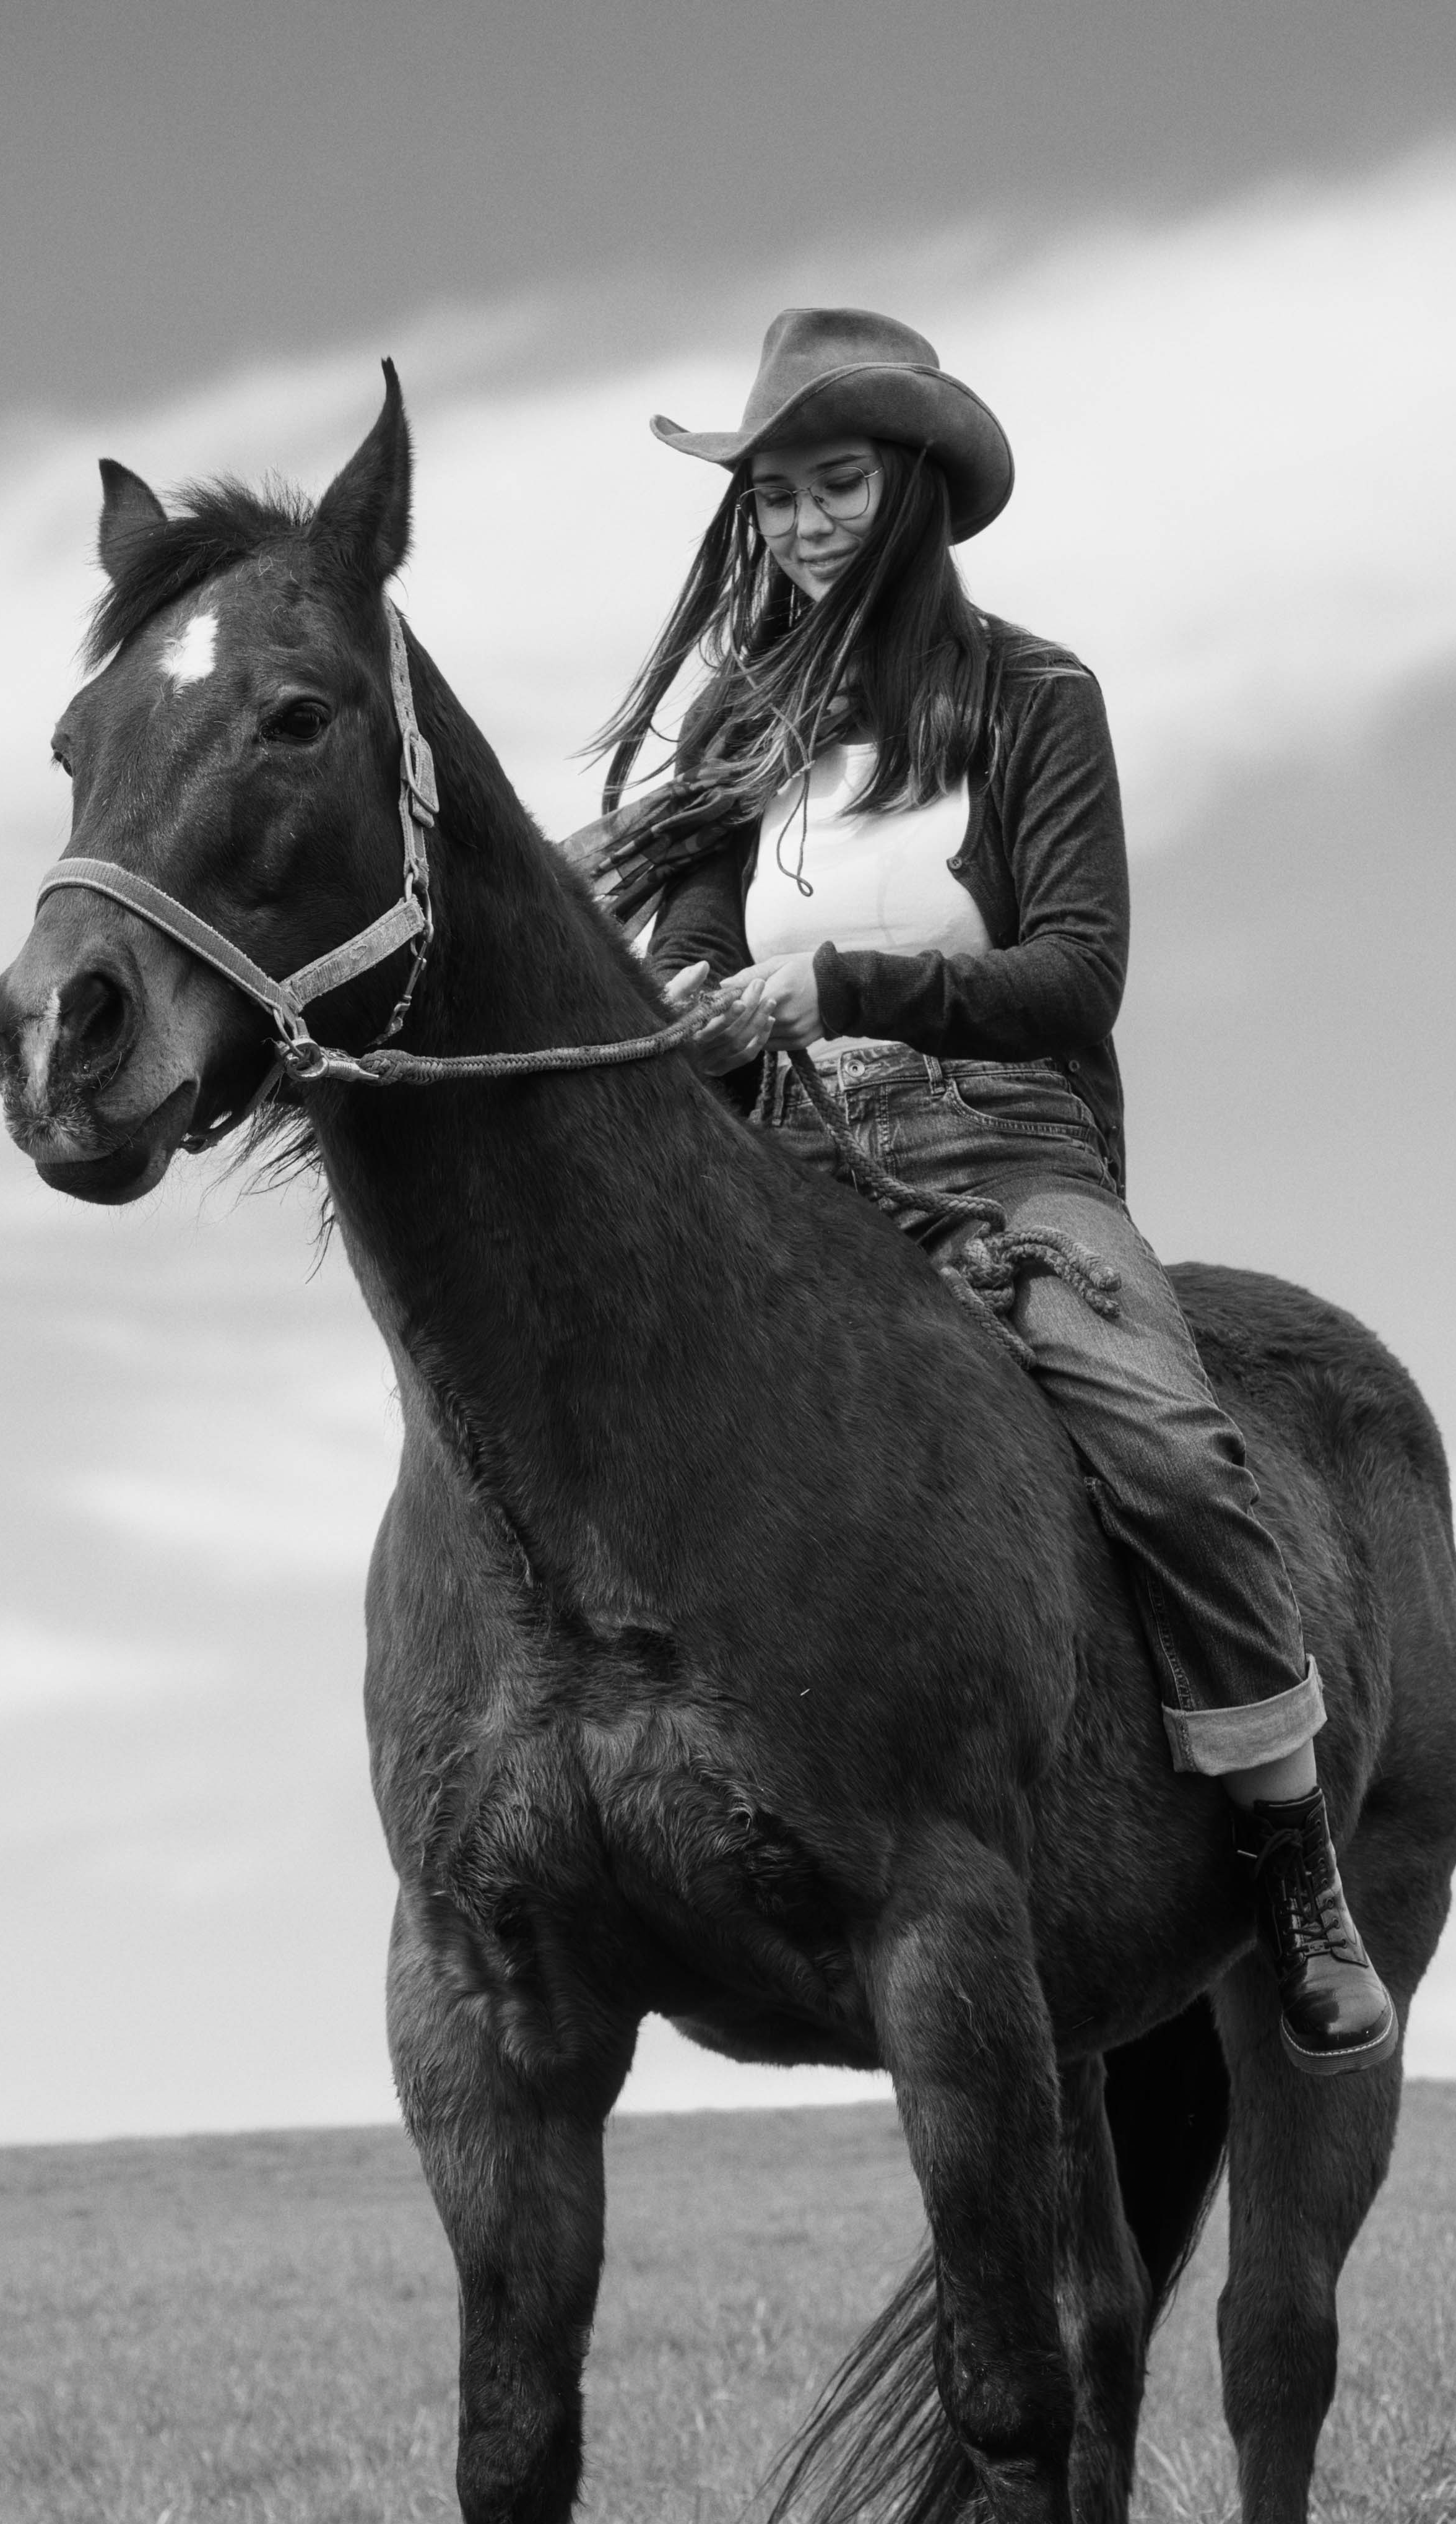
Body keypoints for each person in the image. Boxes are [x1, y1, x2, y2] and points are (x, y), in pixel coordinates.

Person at [592, 307, 1395, 2074]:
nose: (799, 525)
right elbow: (690, 952)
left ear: (916, 491)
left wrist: (845, 987)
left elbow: (1073, 972)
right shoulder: (739, 730)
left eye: (833, 486)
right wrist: (687, 1002)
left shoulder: (1034, 699)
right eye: (775, 496)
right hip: (790, 1159)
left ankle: (1283, 1862)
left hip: (1007, 1142)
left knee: (1176, 1451)